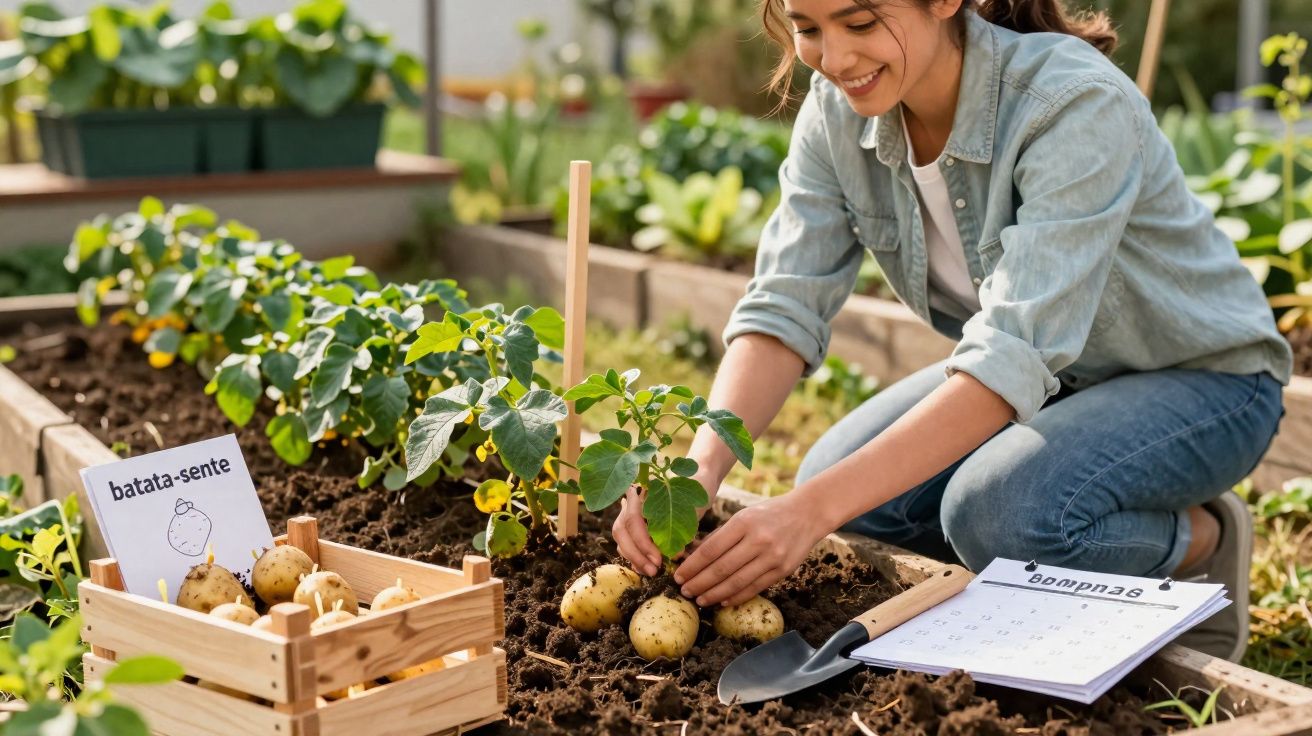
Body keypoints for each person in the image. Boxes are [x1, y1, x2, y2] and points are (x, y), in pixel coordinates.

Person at [611, 0, 1292, 662]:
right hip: (1058, 384)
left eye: (861, 20)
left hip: (1205, 383)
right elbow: (784, 305)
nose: (835, 57)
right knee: (847, 496)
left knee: (996, 513)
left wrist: (804, 512)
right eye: (808, 28)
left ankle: (1203, 538)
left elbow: (1010, 356)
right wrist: (696, 472)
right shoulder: (836, 114)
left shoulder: (1073, 102)